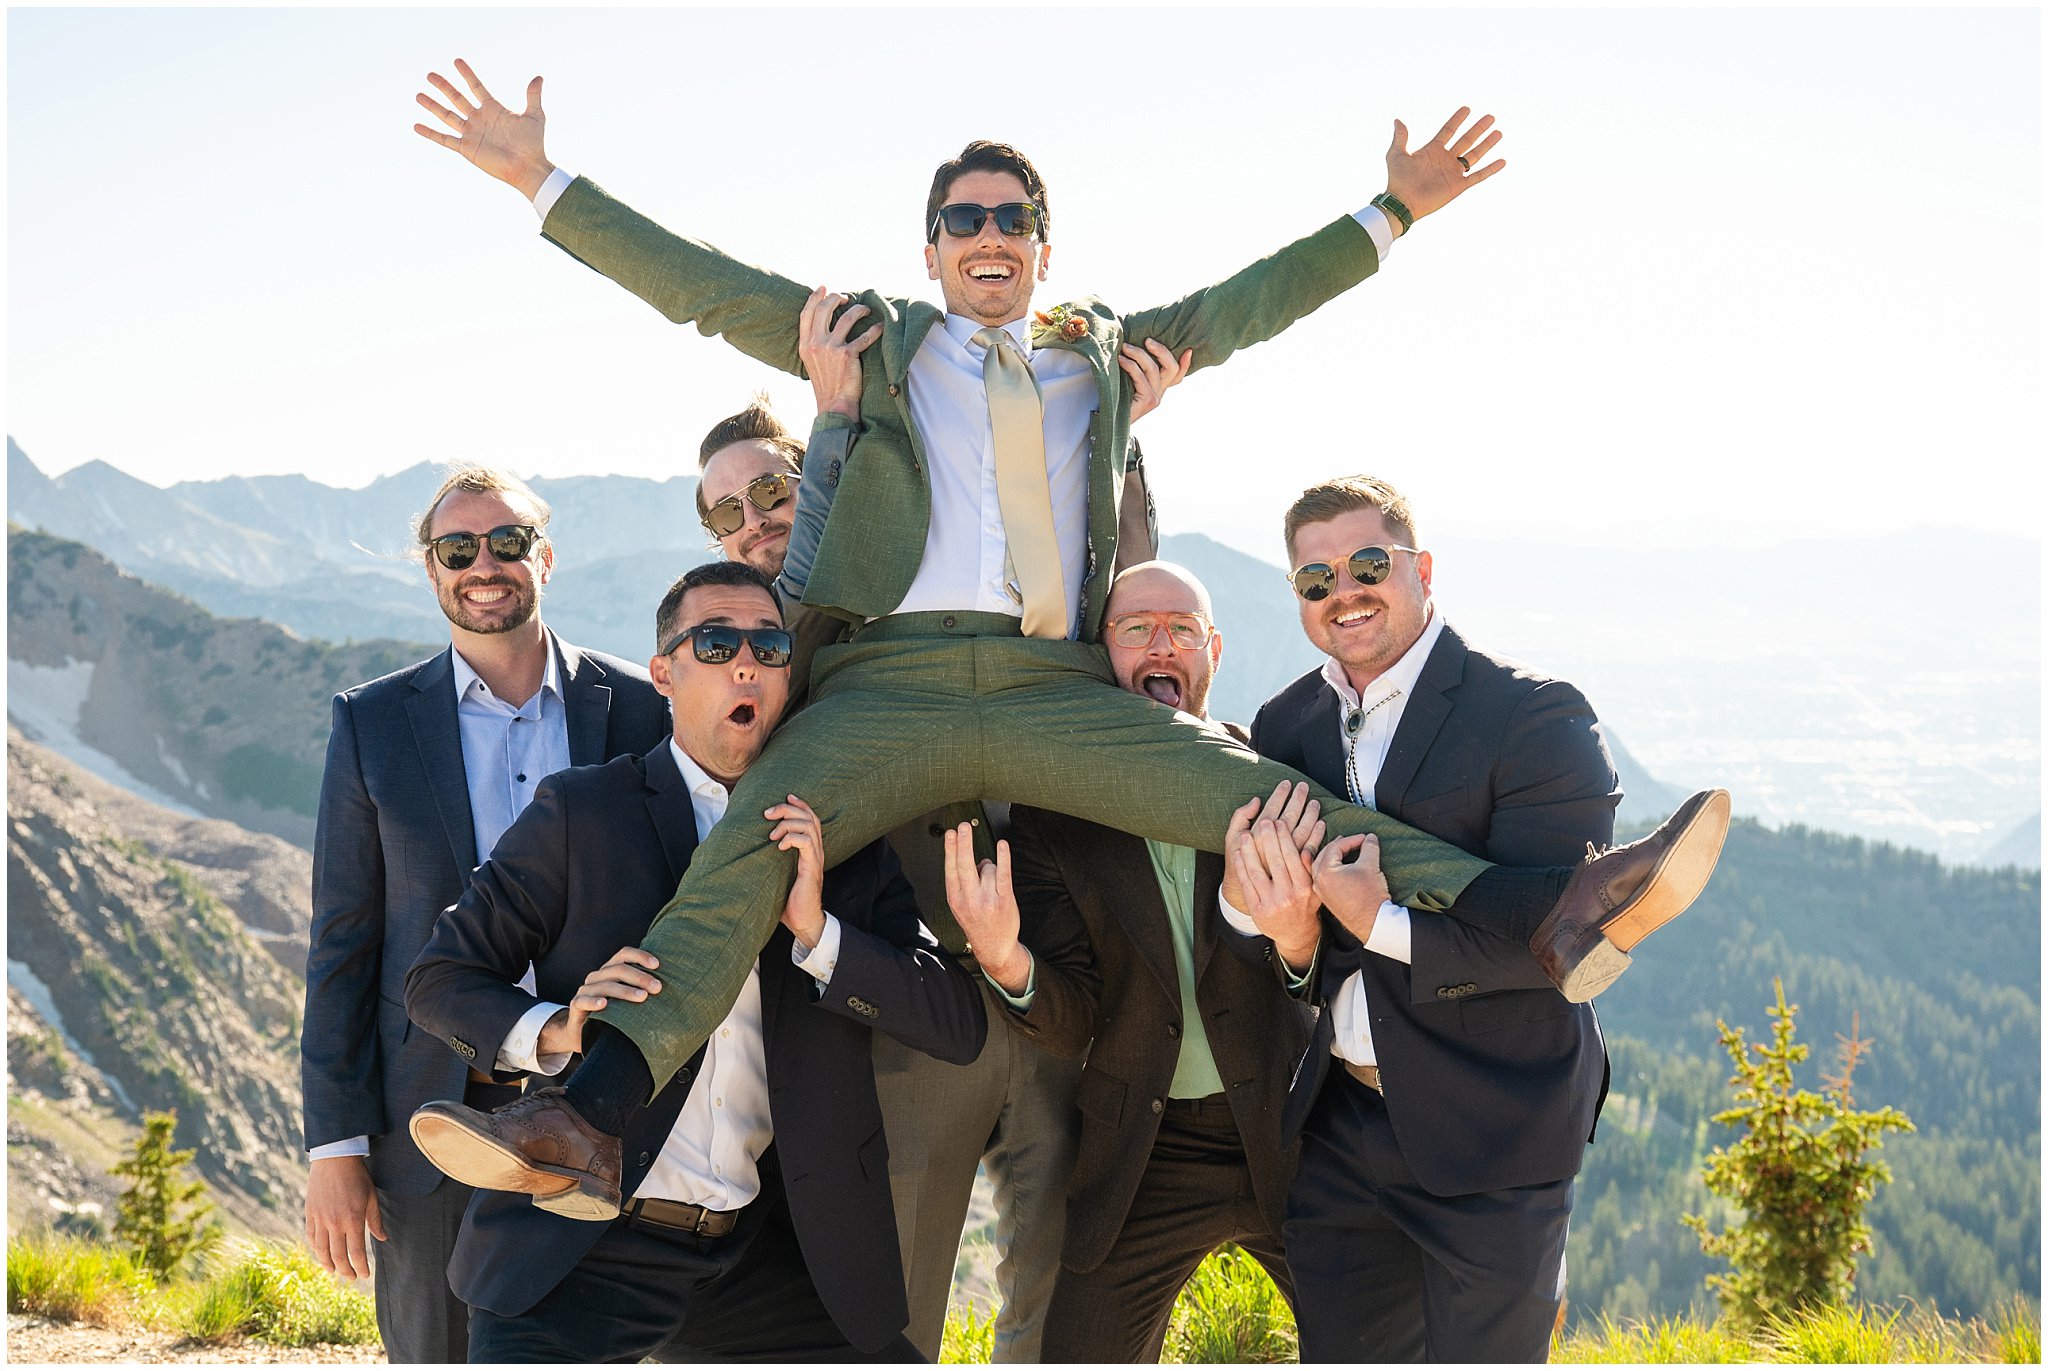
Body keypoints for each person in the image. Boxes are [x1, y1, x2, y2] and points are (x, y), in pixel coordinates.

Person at [407, 61, 1730, 1222]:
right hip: (891, 683)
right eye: (961, 218)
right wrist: (540, 180)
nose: (988, 233)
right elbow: (698, 289)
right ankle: (582, 1117)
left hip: (1051, 684)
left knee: (1266, 801)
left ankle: (1556, 908)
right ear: (928, 252)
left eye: (1012, 217)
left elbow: (1246, 301)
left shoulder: (1096, 358)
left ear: (1044, 247)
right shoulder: (868, 343)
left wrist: (1391, 212)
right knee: (749, 847)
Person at [404, 560, 987, 1361]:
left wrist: (821, 935)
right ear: (663, 674)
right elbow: (439, 978)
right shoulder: (584, 812)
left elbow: (956, 1022)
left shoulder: (842, 840)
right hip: (579, 1247)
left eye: (769, 645)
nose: (746, 660)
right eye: (715, 642)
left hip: (761, 1255)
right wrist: (559, 1028)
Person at [1224, 474, 1672, 1362]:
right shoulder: (1286, 722)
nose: (1342, 592)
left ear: (1420, 567)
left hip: (1495, 1129)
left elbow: (1558, 933)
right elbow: (1287, 947)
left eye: (1366, 564)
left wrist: (1380, 918)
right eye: (1316, 580)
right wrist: (1274, 929)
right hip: (1342, 1130)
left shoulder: (1535, 714)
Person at [300, 466, 667, 1361]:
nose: (484, 564)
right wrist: (334, 1147)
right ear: (432, 572)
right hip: (431, 1117)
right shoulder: (373, 723)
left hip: (597, 1106)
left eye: (506, 542)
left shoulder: (639, 708)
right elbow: (343, 944)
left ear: (544, 555)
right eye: (457, 548)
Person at [942, 560, 1313, 1361]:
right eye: (1136, 627)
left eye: (1181, 628)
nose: (1161, 645)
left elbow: (1328, 965)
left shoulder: (1273, 780)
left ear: (1212, 648)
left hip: (1290, 1131)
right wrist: (1008, 959)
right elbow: (1073, 1014)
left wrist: (1297, 944)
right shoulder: (1056, 814)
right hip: (1149, 1151)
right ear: (1102, 651)